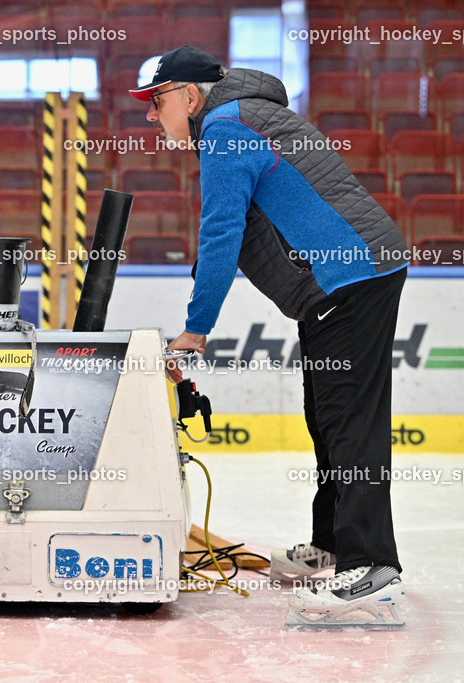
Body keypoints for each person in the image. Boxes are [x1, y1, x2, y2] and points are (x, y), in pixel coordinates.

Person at [129, 46, 408, 627]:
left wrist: (196, 329)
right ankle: (333, 547)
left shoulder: (227, 129)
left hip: (351, 278)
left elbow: (221, 233)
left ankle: (373, 571)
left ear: (189, 95)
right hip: (339, 281)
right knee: (326, 416)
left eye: (156, 100)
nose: (151, 114)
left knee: (349, 423)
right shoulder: (238, 120)